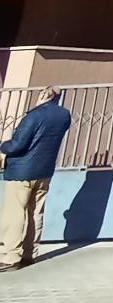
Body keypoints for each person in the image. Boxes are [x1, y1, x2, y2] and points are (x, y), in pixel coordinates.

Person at [0, 88, 72, 270]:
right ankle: (30, 253)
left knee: (15, 213)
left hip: (21, 172)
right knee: (35, 211)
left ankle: (10, 256)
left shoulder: (33, 116)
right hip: (45, 170)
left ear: (43, 95)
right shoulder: (64, 115)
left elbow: (17, 145)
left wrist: (3, 146)